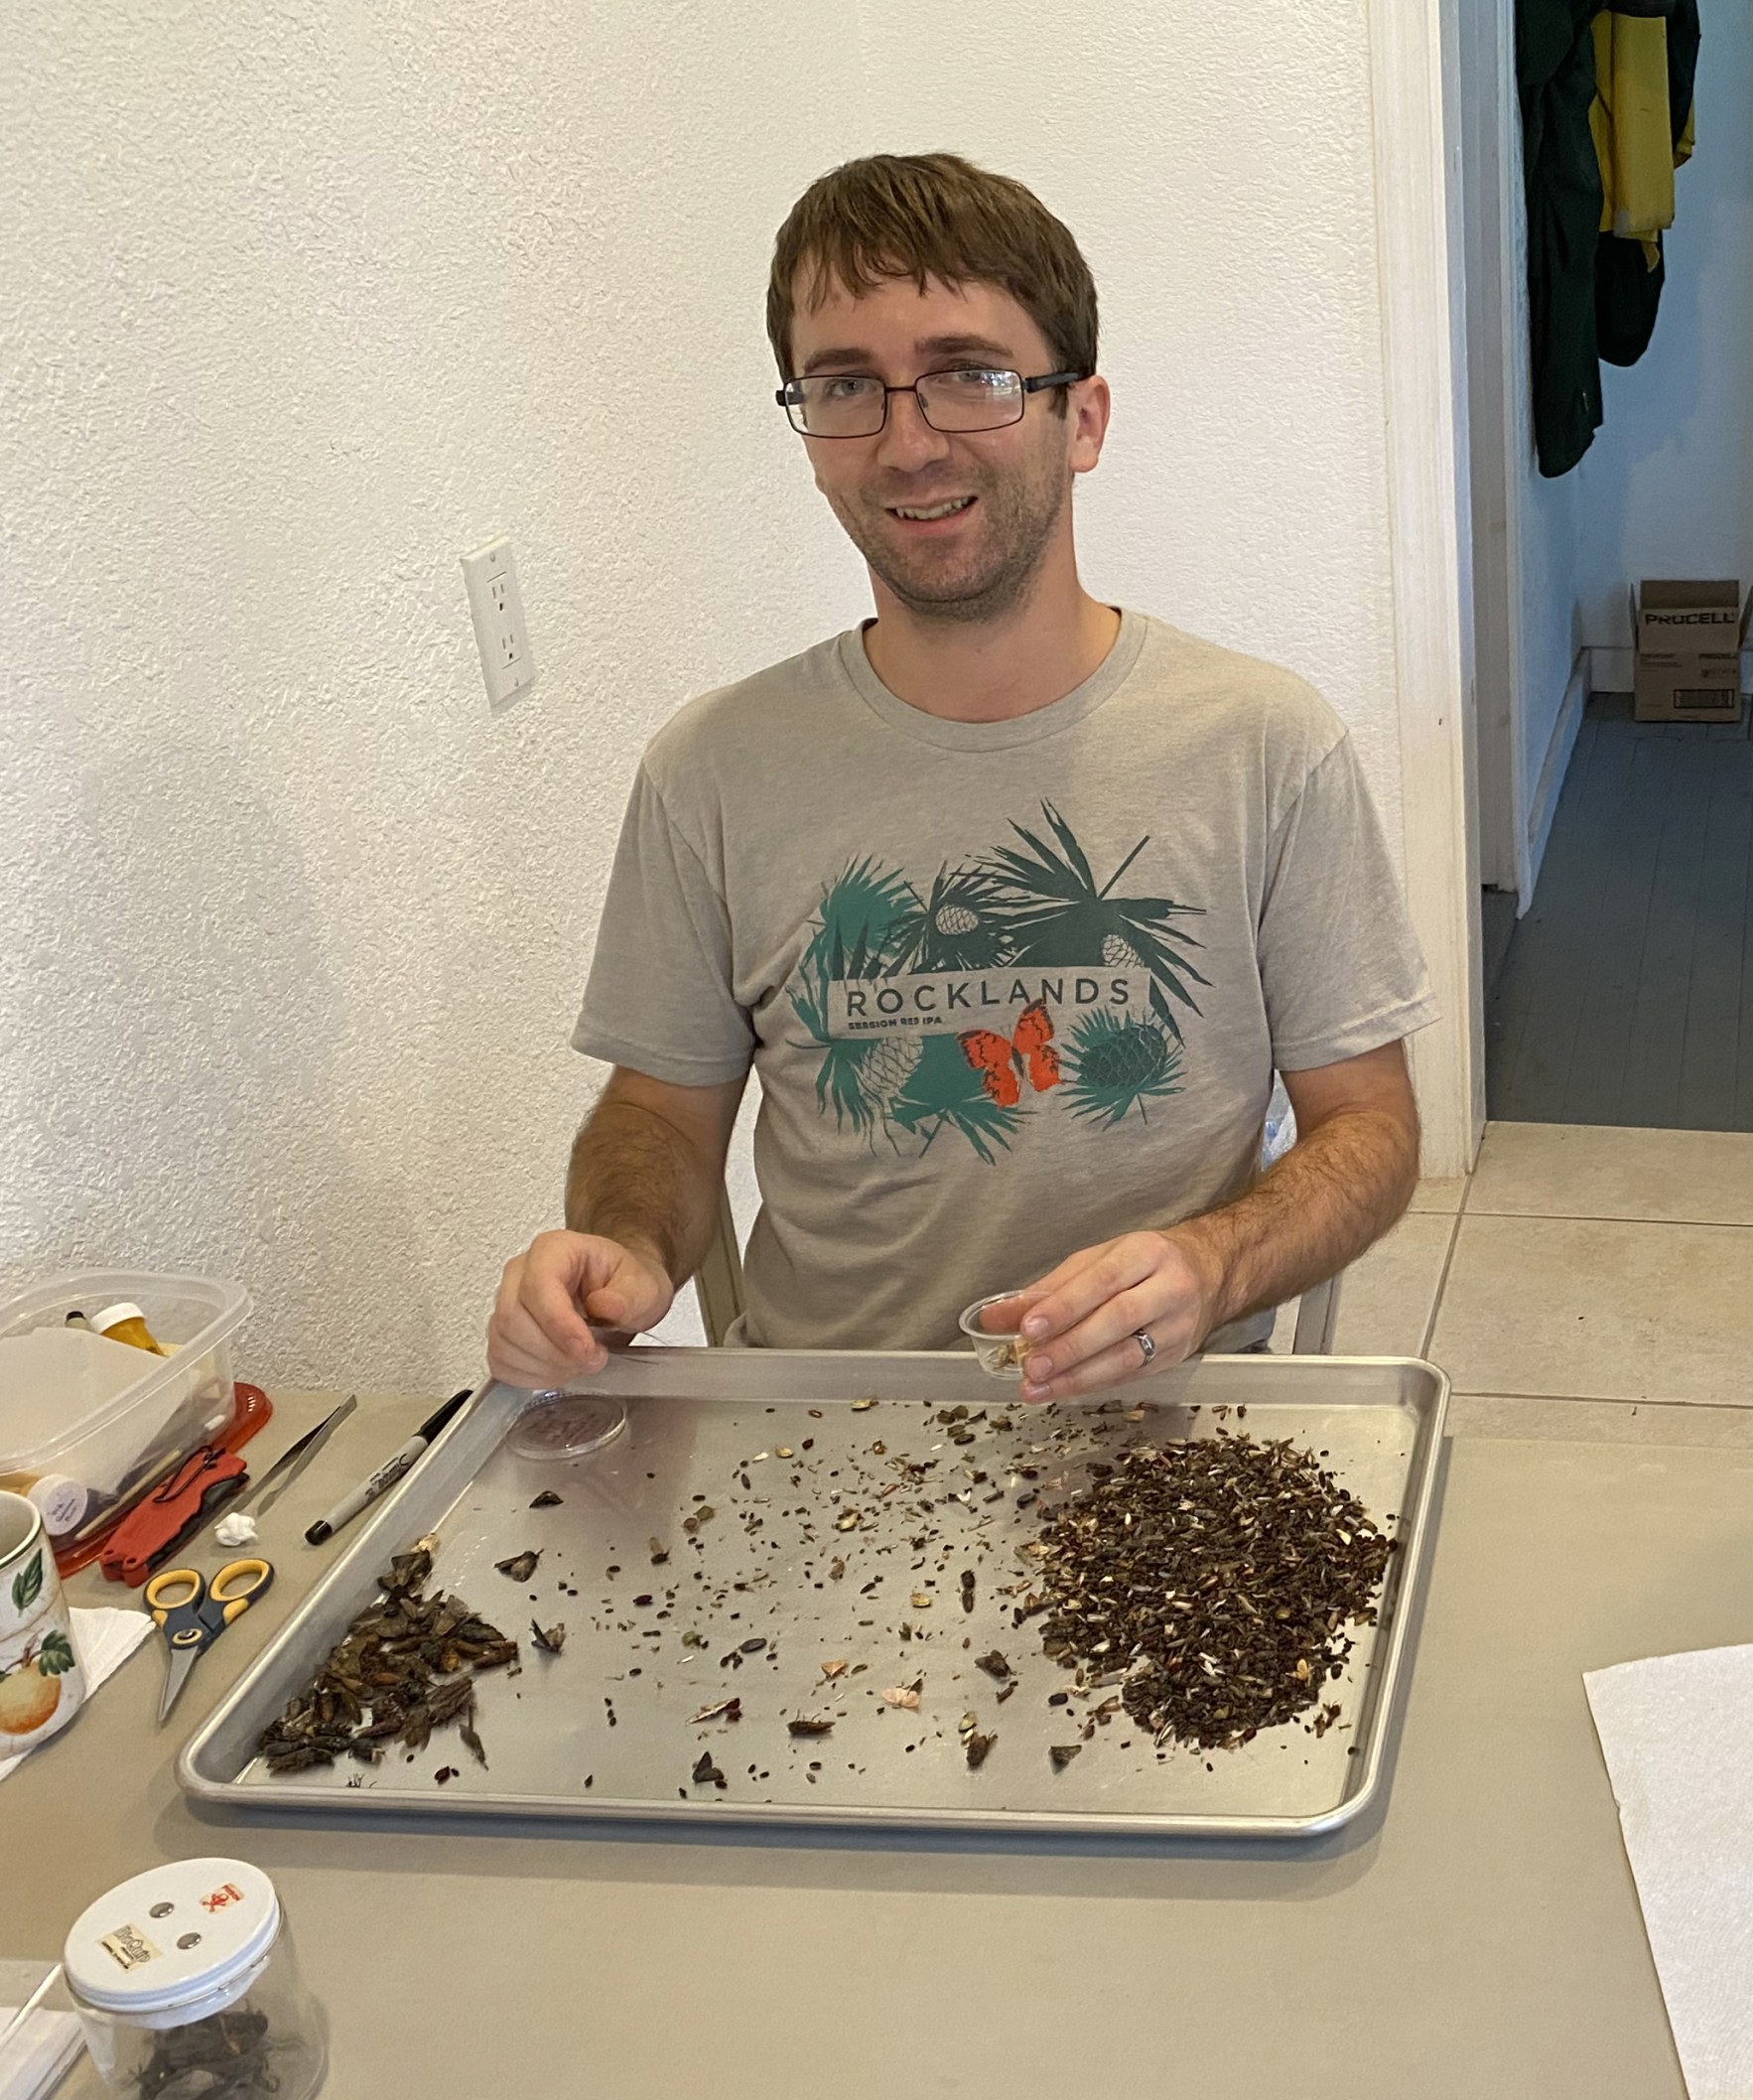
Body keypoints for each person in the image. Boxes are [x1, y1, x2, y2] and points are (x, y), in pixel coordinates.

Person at [487, 151, 1438, 1403]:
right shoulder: (708, 771)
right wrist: (619, 1244)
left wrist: (1213, 1264)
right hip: (818, 1428)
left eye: (968, 377)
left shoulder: (1262, 743)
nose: (907, 442)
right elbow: (657, 1116)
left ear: (1080, 417)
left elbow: (1368, 1127)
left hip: (1158, 1422)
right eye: (846, 388)